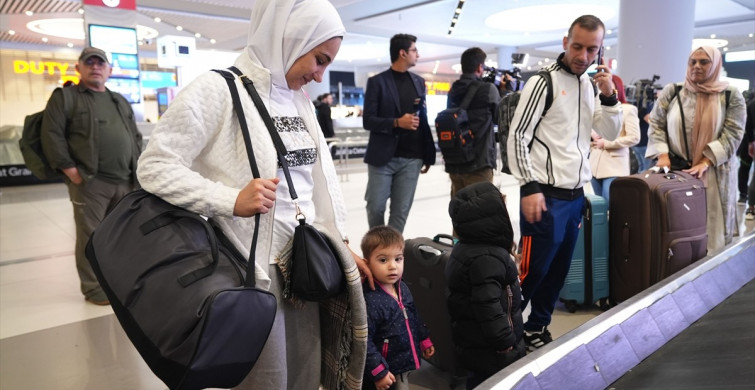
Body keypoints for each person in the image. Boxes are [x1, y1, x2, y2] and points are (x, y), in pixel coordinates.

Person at [136, 1, 371, 389]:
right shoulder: (218, 89)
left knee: (306, 370)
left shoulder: (296, 98)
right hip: (251, 271)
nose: (319, 74)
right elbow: (155, 166)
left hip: (305, 265)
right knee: (265, 376)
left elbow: (315, 182)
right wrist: (229, 199)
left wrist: (339, 243)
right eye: (319, 59)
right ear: (293, 38)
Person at [505, 14, 622, 350]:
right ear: (565, 43)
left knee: (557, 272)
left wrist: (610, 95)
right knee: (529, 274)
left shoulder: (589, 86)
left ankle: (536, 328)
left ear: (600, 51)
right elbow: (517, 137)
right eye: (577, 46)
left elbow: (609, 133)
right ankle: (503, 336)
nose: (583, 55)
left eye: (591, 49)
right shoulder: (543, 83)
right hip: (542, 196)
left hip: (574, 198)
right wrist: (528, 185)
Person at [40, 46, 143, 306]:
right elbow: (51, 135)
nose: (95, 67)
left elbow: (135, 136)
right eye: (89, 63)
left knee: (120, 236)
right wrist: (71, 171)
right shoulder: (66, 97)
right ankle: (93, 288)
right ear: (79, 68)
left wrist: (140, 168)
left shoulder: (118, 99)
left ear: (109, 70)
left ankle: (117, 282)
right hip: (90, 183)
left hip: (126, 181)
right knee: (91, 236)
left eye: (100, 63)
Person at [646, 46, 746, 252]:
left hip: (714, 174)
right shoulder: (673, 91)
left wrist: (705, 161)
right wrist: (663, 155)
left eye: (704, 62)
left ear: (716, 64)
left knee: (712, 236)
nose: (697, 67)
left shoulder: (730, 95)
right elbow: (656, 123)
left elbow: (733, 133)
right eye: (693, 62)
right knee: (677, 233)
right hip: (676, 174)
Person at [445, 182, 526, 389]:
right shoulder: (487, 258)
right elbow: (488, 306)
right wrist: (506, 343)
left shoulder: (466, 247)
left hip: (474, 344)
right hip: (494, 351)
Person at [362, 33, 436, 233]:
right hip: (383, 157)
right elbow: (368, 120)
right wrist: (396, 122)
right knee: (375, 206)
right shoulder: (378, 82)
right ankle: (377, 249)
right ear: (402, 53)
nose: (418, 55)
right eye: (414, 51)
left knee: (400, 211)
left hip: (412, 158)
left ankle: (392, 253)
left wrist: (428, 153)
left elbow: (423, 119)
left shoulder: (419, 82)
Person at [360, 225, 434, 390]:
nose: (392, 266)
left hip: (402, 362)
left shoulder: (402, 287)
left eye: (398, 259)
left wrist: (423, 339)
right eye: (383, 260)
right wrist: (378, 371)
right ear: (366, 263)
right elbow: (364, 341)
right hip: (384, 369)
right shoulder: (370, 300)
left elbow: (413, 315)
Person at [445, 47, 501, 197]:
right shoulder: (488, 89)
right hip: (479, 164)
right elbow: (500, 119)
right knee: (480, 213)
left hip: (455, 163)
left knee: (460, 211)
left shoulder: (453, 90)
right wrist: (504, 91)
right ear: (480, 67)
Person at [589, 74, 641, 202]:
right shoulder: (597, 109)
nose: (602, 88)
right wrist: (592, 135)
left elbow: (634, 137)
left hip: (615, 167)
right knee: (597, 209)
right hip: (594, 166)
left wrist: (606, 143)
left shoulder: (628, 109)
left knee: (612, 208)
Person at [745, 98, 755, 220]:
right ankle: (751, 207)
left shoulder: (752, 103)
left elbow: (747, 125)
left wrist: (751, 142)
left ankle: (751, 207)